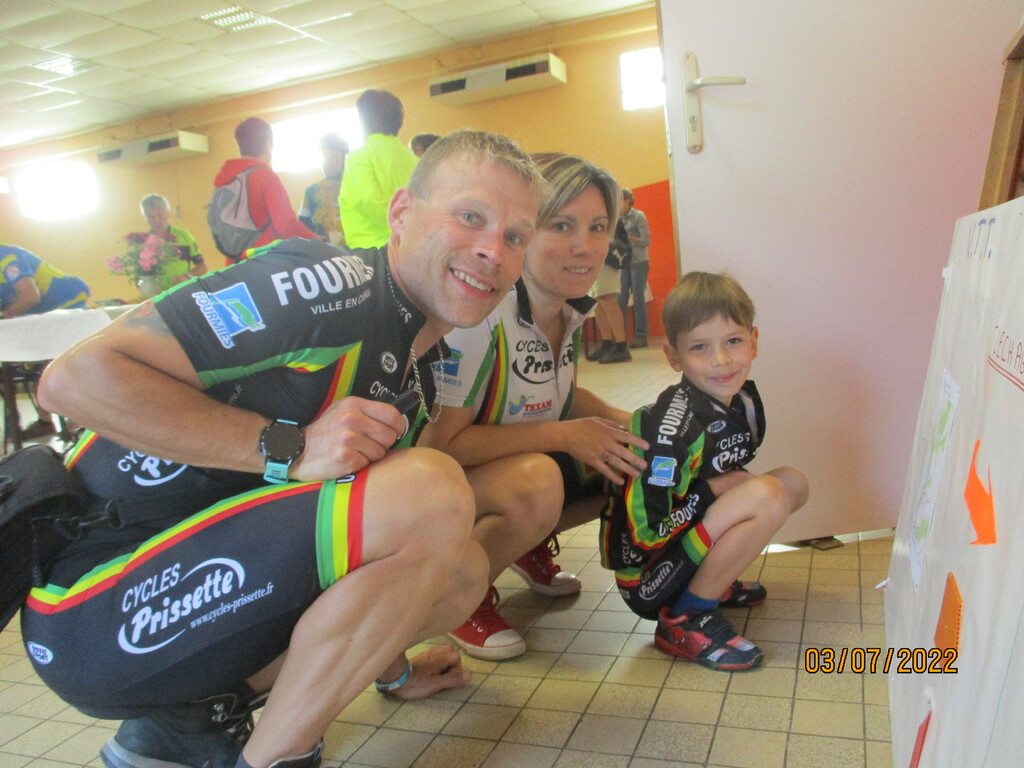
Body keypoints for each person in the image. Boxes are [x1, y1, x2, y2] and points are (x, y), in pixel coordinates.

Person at [27, 129, 545, 768]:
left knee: (460, 571)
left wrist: (393, 672)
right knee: (430, 489)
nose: (493, 250)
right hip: (90, 609)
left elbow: (370, 554)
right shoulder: (324, 282)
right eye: (470, 217)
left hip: (186, 591)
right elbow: (73, 380)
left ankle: (188, 722)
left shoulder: (418, 362)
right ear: (402, 213)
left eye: (515, 236)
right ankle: (274, 758)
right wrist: (288, 447)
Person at [420, 153, 648, 660]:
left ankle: (522, 543)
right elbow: (440, 447)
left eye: (597, 227)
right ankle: (458, 597)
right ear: (522, 233)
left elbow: (559, 397)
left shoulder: (567, 308)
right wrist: (564, 435)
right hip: (431, 486)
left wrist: (635, 423)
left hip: (497, 466)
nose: (584, 246)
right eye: (561, 225)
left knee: (632, 459)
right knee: (539, 481)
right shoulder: (482, 315)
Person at [599, 271, 809, 671]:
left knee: (792, 484)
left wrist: (721, 491)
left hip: (678, 548)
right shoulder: (672, 430)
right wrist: (714, 492)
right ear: (673, 356)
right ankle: (685, 618)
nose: (721, 360)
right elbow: (646, 534)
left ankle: (711, 583)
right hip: (645, 578)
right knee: (765, 494)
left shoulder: (741, 400)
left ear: (754, 341)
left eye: (733, 341)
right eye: (700, 347)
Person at [0, 243, 91, 439]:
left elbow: (29, 296)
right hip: (35, 316)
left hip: (67, 303)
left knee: (48, 363)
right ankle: (34, 421)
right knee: (12, 365)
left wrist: (3, 317)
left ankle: (77, 419)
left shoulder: (5, 256)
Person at [212, 117, 317, 265]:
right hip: (264, 262)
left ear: (239, 145)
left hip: (234, 265)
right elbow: (286, 226)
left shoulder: (226, 179)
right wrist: (318, 243)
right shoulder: (265, 176)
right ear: (268, 144)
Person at [338, 90, 419, 249]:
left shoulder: (359, 157)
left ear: (363, 120)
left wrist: (397, 231)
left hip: (373, 250)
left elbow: (368, 199)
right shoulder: (414, 160)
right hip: (412, 246)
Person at [584, 217, 632, 364]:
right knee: (597, 301)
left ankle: (621, 346)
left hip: (607, 257)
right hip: (595, 257)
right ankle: (607, 342)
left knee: (608, 299)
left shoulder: (607, 212)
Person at [139, 195, 208, 290]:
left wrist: (187, 276)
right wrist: (146, 286)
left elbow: (202, 266)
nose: (156, 220)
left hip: (182, 291)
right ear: (144, 217)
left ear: (168, 213)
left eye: (160, 215)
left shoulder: (184, 235)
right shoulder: (142, 242)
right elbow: (137, 277)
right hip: (157, 294)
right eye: (151, 217)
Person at [297, 133, 348, 244]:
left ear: (343, 157)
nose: (328, 161)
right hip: (323, 250)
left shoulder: (355, 188)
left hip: (356, 250)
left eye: (333, 155)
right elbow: (301, 225)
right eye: (324, 156)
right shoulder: (311, 192)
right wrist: (314, 237)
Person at [616, 188, 651, 348]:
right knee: (620, 299)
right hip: (623, 262)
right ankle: (620, 337)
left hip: (639, 261)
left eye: (620, 200)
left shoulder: (639, 216)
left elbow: (646, 240)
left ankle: (641, 336)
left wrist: (627, 237)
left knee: (638, 298)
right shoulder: (617, 218)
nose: (618, 204)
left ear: (627, 200)